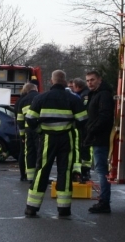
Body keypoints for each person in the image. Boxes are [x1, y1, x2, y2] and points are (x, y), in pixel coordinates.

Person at [24, 70, 87, 218]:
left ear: (52, 81)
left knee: (42, 171)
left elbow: (30, 119)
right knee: (64, 172)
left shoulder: (41, 98)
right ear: (65, 82)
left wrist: (41, 130)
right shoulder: (73, 99)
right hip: (67, 138)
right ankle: (64, 209)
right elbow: (83, 121)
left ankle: (31, 208)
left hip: (47, 138)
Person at [84, 70, 115, 214]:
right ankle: (103, 200)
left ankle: (104, 202)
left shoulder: (103, 95)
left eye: (92, 80)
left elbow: (104, 116)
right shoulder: (97, 94)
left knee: (102, 170)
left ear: (99, 80)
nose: (90, 83)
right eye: (88, 80)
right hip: (98, 137)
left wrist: (92, 131)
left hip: (101, 138)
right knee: (101, 169)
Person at [14, 82, 39, 182]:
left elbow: (20, 120)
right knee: (40, 152)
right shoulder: (40, 97)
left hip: (28, 130)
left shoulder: (22, 101)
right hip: (39, 129)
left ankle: (29, 177)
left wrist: (22, 136)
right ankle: (39, 175)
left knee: (29, 153)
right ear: (35, 89)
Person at [70, 78, 91, 181]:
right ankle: (85, 171)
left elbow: (82, 112)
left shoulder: (84, 96)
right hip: (87, 125)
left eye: (73, 87)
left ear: (78, 86)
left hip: (84, 126)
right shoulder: (86, 93)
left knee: (82, 148)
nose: (73, 89)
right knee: (85, 148)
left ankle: (84, 171)